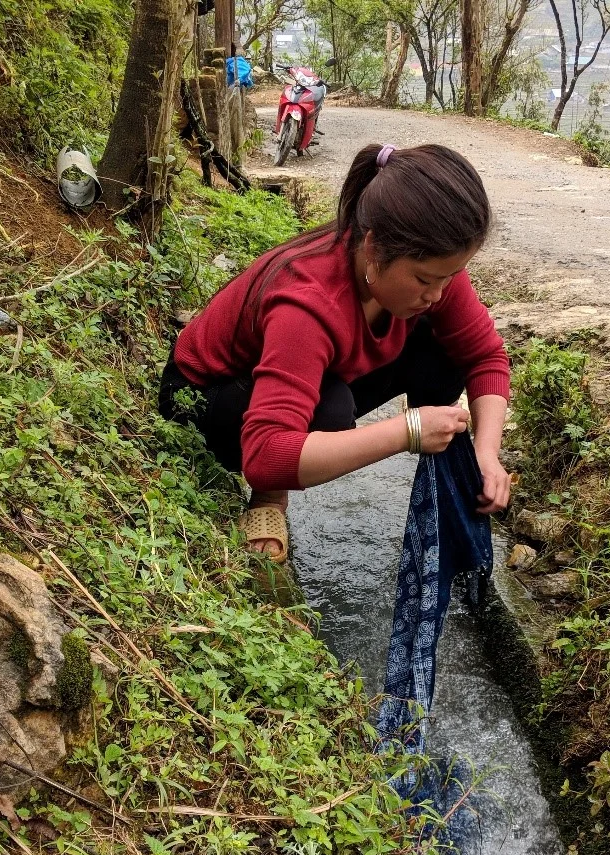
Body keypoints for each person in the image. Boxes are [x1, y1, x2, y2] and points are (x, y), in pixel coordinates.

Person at [159, 142, 512, 562]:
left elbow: (485, 356)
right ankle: (269, 500)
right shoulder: (307, 306)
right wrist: (407, 432)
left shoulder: (425, 269)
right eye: (424, 280)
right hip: (209, 397)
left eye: (449, 276)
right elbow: (266, 454)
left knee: (444, 354)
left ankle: (442, 476)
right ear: (374, 249)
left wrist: (486, 452)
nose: (437, 293)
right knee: (330, 411)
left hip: (307, 368)